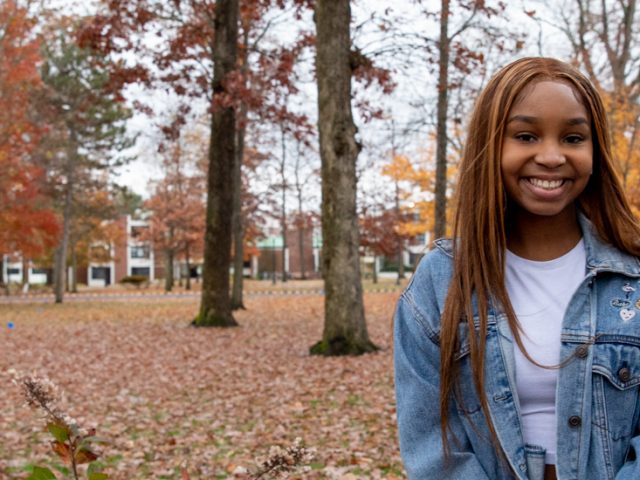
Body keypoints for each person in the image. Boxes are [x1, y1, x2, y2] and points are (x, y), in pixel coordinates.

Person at [393, 57, 640, 480]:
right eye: (526, 136)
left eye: (573, 138)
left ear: (594, 151)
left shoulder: (632, 277)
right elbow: (433, 445)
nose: (551, 156)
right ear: (491, 147)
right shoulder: (442, 281)